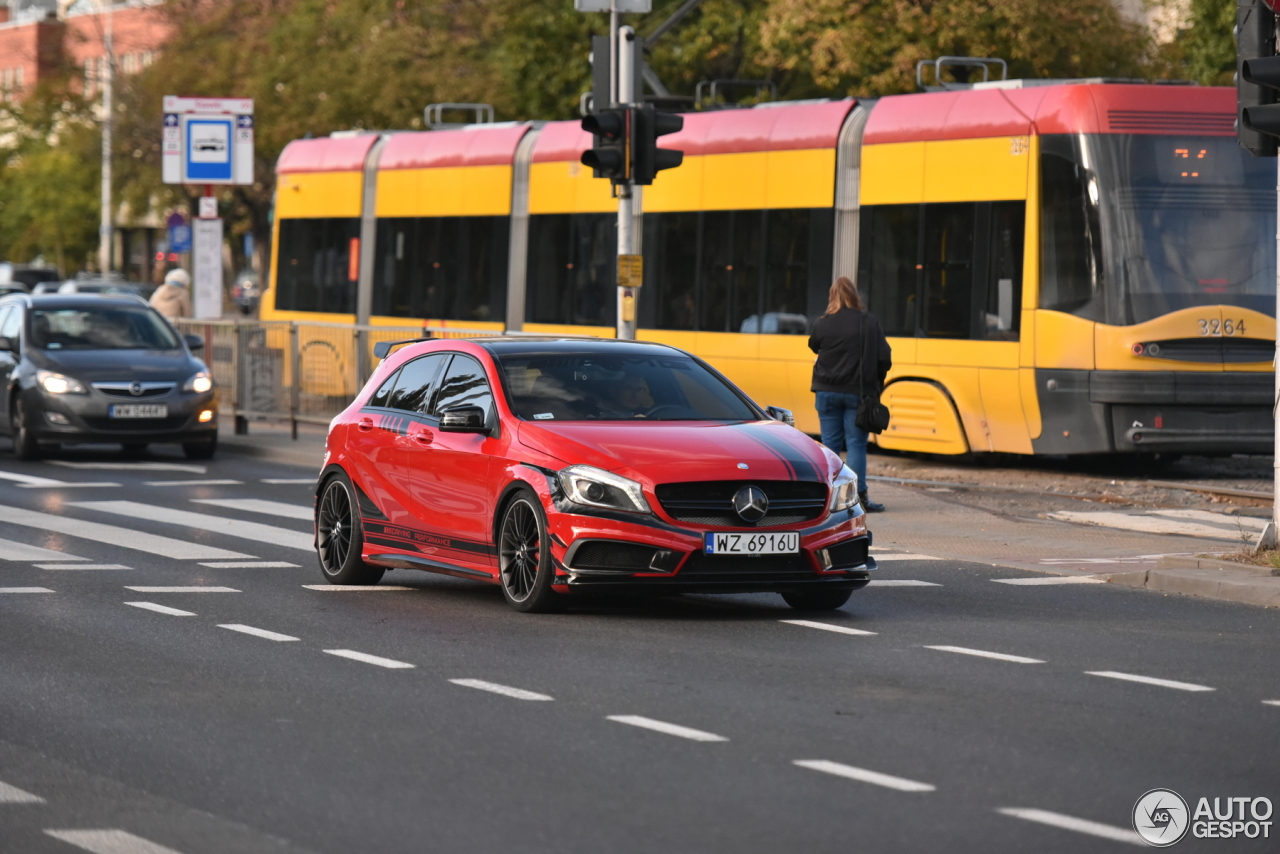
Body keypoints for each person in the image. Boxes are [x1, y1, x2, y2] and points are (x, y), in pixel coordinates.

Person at [808, 276, 892, 512]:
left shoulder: (823, 323)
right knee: (856, 445)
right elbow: (884, 357)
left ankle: (829, 499)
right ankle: (859, 498)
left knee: (830, 445)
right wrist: (876, 383)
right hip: (858, 393)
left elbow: (814, 345)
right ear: (855, 296)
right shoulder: (868, 322)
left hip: (826, 391)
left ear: (832, 297)